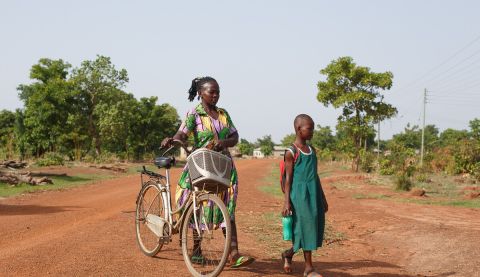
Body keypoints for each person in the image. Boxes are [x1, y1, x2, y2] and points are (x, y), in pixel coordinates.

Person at [161, 76, 254, 268]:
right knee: (196, 204)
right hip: (200, 163)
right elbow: (183, 133)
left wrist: (224, 142)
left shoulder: (223, 114)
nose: (215, 95)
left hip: (223, 165)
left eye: (217, 91)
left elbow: (234, 136)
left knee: (228, 207)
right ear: (200, 93)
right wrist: (173, 139)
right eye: (211, 91)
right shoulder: (194, 113)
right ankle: (196, 250)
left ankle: (234, 253)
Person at [281, 114, 329, 277]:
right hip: (298, 195)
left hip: (313, 192)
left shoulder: (312, 150)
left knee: (309, 227)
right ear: (298, 129)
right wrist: (287, 202)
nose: (312, 132)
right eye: (309, 128)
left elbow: (315, 176)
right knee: (305, 226)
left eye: (313, 128)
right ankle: (308, 268)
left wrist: (322, 197)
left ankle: (288, 254)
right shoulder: (291, 151)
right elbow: (288, 180)